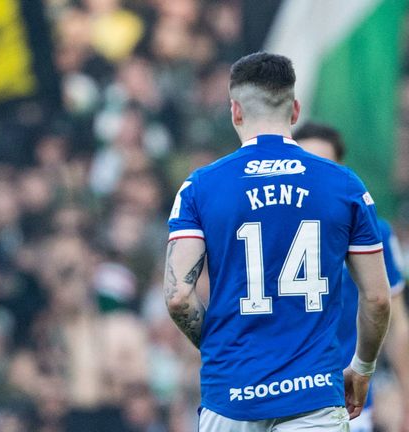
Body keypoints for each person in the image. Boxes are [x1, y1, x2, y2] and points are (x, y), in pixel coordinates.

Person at [165, 52, 391, 431]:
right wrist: (363, 368)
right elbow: (378, 298)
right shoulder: (344, 185)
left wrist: (223, 349)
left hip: (231, 396)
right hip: (315, 395)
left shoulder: (200, 187)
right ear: (295, 109)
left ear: (235, 111)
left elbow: (178, 297)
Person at [295, 122, 409, 432]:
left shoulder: (375, 234)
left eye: (324, 167)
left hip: (351, 405)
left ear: (340, 171)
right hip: (285, 403)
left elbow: (397, 324)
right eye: (307, 167)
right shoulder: (272, 235)